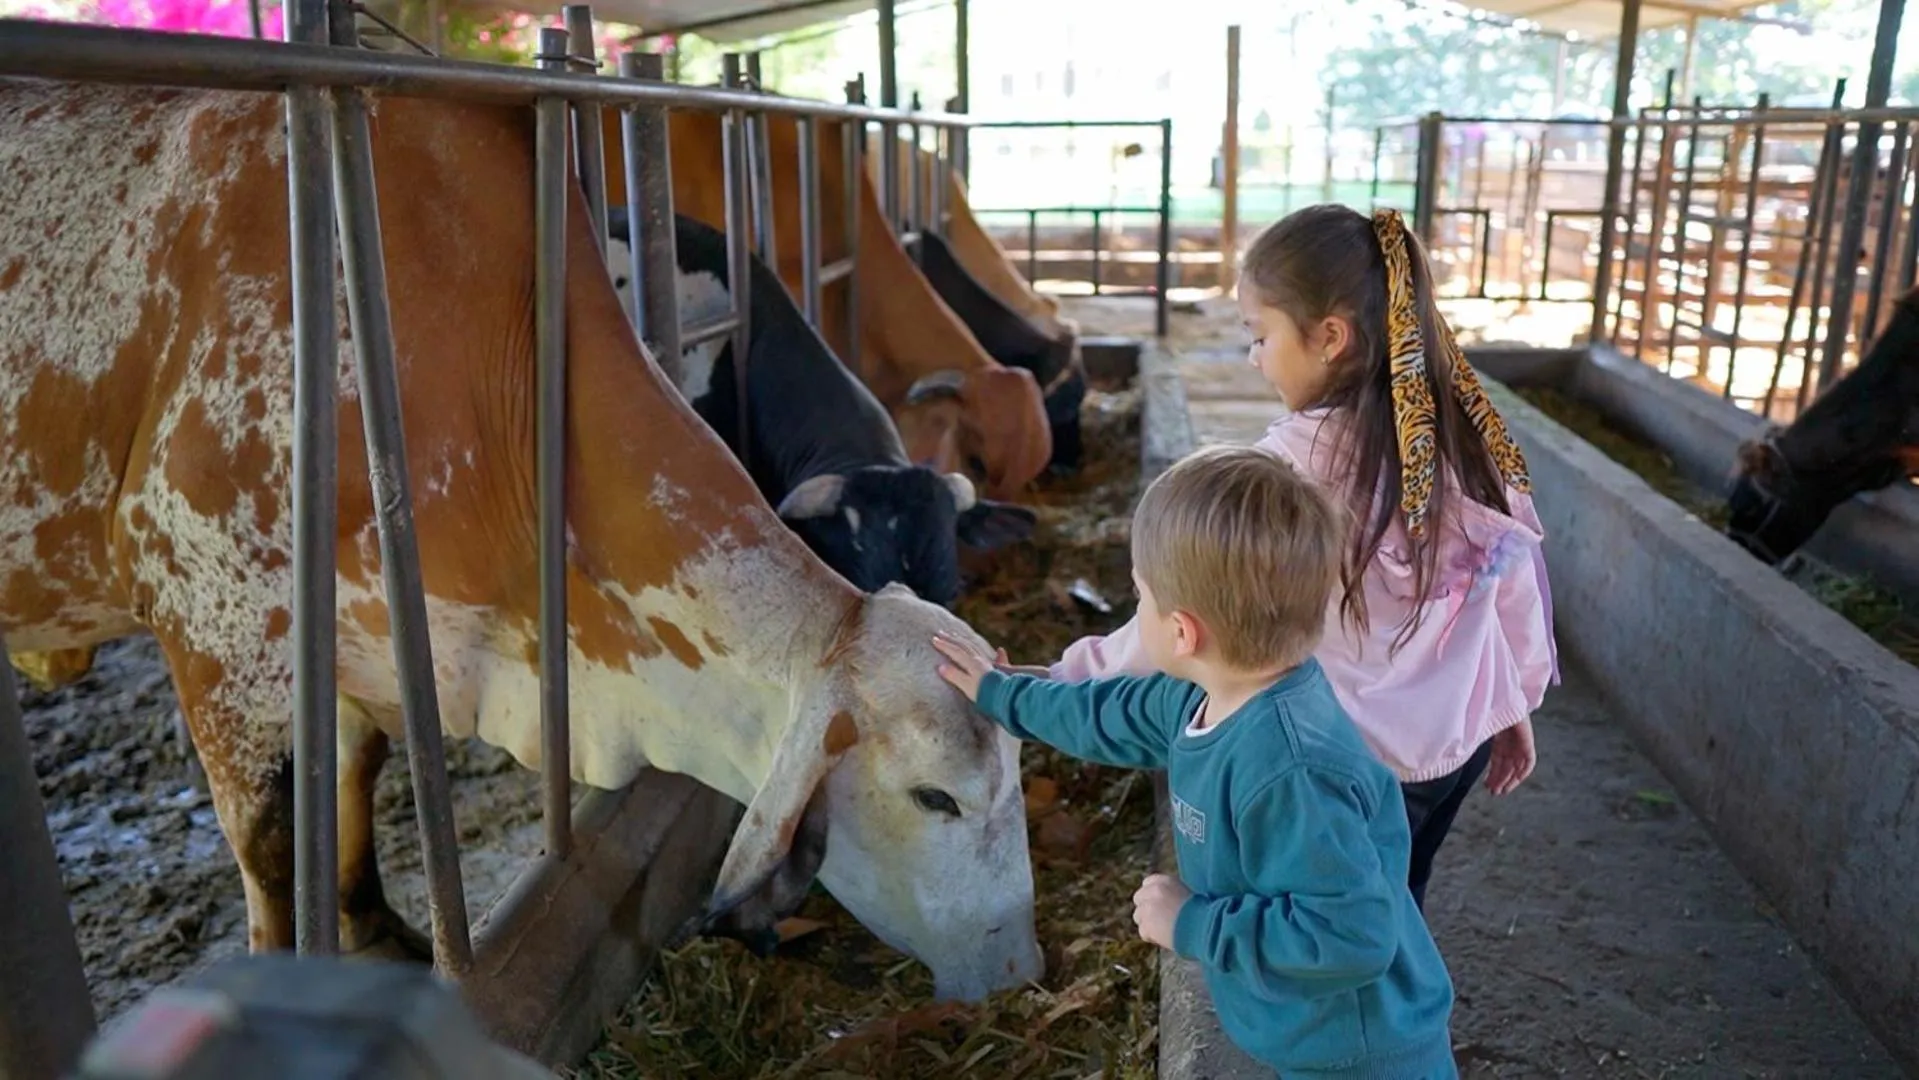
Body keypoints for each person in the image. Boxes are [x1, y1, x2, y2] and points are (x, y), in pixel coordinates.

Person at [1043, 205, 1559, 910]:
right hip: (1453, 747)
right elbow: (1509, 587)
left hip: (1348, 762)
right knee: (1398, 897)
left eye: (1259, 336)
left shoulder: (1283, 474)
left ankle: (1377, 1013)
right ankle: (1398, 985)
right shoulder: (1457, 439)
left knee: (1337, 921)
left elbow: (1174, 613)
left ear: (1330, 337)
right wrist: (1507, 702)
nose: (1252, 357)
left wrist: (1063, 677)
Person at [934, 445, 1458, 1080]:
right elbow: (1104, 716)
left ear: (1183, 633)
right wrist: (1002, 695)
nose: (1136, 613)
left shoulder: (1291, 771)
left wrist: (1194, 924)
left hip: (1362, 1048)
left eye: (1139, 597)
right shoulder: (1201, 694)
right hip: (1307, 1026)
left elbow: (1352, 937)